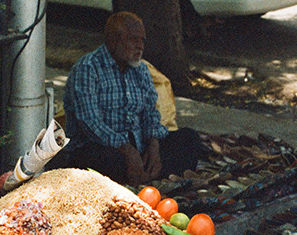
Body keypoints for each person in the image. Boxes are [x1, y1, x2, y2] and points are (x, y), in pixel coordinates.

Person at [51, 12, 205, 186]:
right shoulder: (87, 68)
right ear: (113, 40)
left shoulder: (140, 69)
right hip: (101, 148)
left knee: (189, 139)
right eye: (133, 40)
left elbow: (150, 113)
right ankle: (147, 176)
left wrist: (153, 147)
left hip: (137, 147)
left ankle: (145, 174)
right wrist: (127, 151)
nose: (140, 46)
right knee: (108, 162)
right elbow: (90, 123)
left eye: (142, 41)